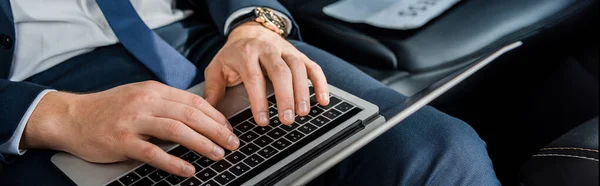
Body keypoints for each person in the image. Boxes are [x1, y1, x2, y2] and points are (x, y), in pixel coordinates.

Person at [0, 0, 500, 185]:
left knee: (438, 152)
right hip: (43, 95)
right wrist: (51, 114)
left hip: (202, 41)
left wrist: (254, 23)